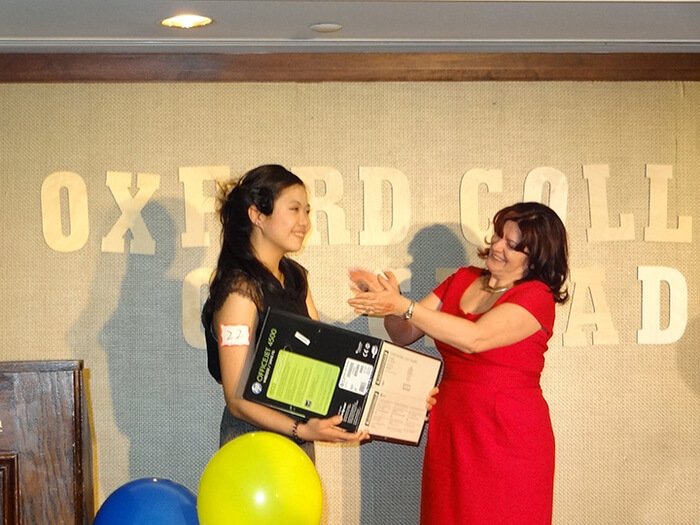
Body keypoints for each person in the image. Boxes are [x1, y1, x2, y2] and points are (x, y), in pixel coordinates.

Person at [348, 201, 569, 525]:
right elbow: (403, 333)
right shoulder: (463, 278)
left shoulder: (537, 296)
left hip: (508, 435)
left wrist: (402, 305)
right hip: (452, 427)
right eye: (498, 236)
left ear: (536, 257)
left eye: (511, 244)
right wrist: (389, 303)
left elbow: (474, 338)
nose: (497, 246)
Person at [201, 164, 369, 458]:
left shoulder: (295, 277)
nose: (305, 222)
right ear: (257, 215)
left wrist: (379, 403)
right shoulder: (240, 290)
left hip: (298, 443)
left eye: (307, 211)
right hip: (252, 445)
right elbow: (237, 399)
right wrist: (300, 430)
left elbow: (323, 359)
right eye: (294, 209)